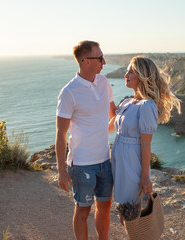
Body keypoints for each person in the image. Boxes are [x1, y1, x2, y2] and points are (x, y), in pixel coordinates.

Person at [55, 40, 117, 240]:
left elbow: (114, 116)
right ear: (85, 61)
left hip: (104, 160)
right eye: (99, 58)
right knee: (83, 211)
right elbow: (60, 133)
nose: (103, 62)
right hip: (81, 164)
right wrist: (62, 170)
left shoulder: (104, 82)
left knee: (105, 208)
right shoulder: (69, 92)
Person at [110, 56, 181, 208]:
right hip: (118, 158)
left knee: (131, 208)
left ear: (142, 76)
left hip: (131, 161)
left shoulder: (147, 106)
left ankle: (138, 233)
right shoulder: (127, 102)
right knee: (123, 207)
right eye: (127, 72)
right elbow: (111, 127)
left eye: (131, 72)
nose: (125, 75)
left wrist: (145, 177)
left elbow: (145, 144)